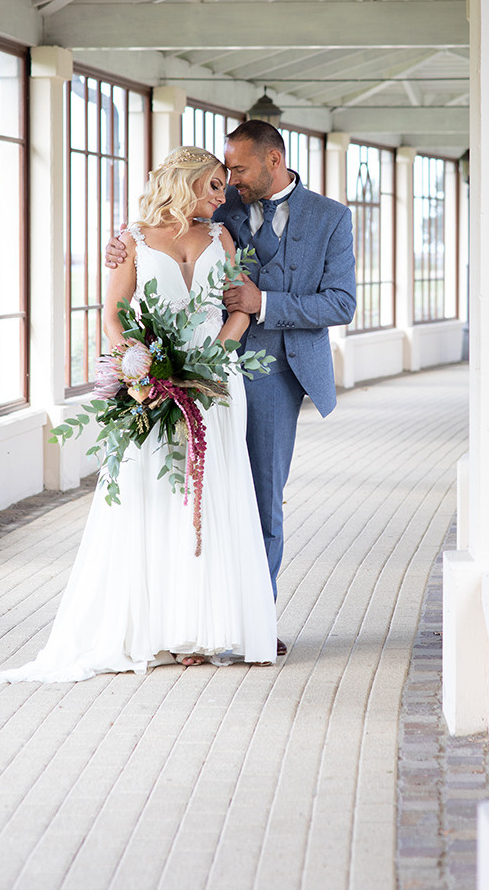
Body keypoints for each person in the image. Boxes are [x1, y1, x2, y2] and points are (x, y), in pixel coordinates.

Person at [0, 147, 276, 682]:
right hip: (153, 388)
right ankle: (156, 629)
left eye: (224, 186)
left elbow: (238, 306)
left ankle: (202, 630)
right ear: (184, 184)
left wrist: (214, 356)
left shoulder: (222, 238)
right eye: (213, 186)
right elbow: (115, 317)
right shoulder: (136, 240)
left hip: (215, 384)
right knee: (155, 494)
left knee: (211, 495)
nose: (222, 196)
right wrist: (140, 368)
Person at [106, 121, 357, 646]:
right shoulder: (222, 208)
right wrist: (118, 246)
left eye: (239, 169)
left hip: (272, 372)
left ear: (274, 159)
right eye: (225, 172)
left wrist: (263, 304)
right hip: (191, 372)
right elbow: (164, 228)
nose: (231, 180)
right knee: (192, 493)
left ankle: (251, 623)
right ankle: (189, 617)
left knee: (259, 496)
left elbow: (341, 303)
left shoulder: (332, 218)